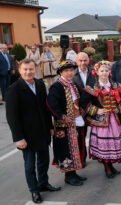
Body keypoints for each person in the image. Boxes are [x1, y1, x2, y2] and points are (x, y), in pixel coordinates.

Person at [6, 59, 61, 204]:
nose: (28, 72)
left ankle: (43, 184)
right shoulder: (14, 89)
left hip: (42, 131)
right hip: (27, 135)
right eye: (25, 69)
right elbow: (12, 117)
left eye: (31, 69)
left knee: (43, 161)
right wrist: (18, 138)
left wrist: (50, 126)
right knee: (30, 165)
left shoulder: (40, 84)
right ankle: (34, 190)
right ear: (20, 70)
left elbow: (45, 108)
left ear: (35, 69)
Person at [81, 60, 121, 178]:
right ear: (96, 72)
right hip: (101, 121)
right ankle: (107, 168)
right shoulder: (92, 87)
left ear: (109, 72)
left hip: (113, 119)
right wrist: (97, 110)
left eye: (106, 70)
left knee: (112, 142)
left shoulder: (116, 85)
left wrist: (119, 109)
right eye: (101, 71)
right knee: (105, 144)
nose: (104, 73)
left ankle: (111, 166)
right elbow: (84, 103)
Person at [46, 60, 87, 186]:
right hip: (64, 125)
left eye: (71, 70)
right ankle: (68, 176)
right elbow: (51, 105)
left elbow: (80, 99)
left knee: (75, 148)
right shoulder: (57, 86)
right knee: (66, 150)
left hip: (75, 122)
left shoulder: (73, 84)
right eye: (66, 71)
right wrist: (62, 116)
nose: (70, 73)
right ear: (60, 72)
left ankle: (73, 173)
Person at [73, 52, 96, 166]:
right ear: (76, 61)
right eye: (80, 61)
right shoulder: (72, 73)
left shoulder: (94, 72)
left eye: (85, 60)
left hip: (94, 109)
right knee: (80, 137)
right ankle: (82, 159)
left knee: (97, 134)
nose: (83, 63)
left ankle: (99, 156)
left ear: (89, 60)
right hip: (80, 111)